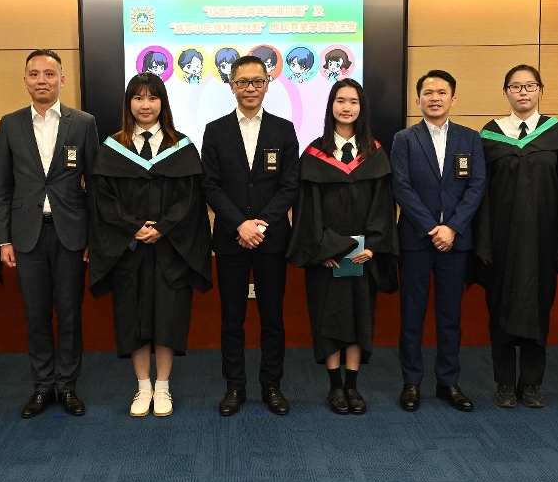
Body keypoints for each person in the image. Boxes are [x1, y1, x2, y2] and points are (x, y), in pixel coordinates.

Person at [88, 72, 213, 417]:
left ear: (163, 103)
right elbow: (104, 200)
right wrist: (133, 227)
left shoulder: (181, 146)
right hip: (129, 250)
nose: (146, 105)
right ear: (129, 103)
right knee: (133, 316)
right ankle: (143, 386)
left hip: (171, 250)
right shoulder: (113, 148)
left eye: (153, 98)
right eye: (139, 97)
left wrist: (164, 228)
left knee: (168, 317)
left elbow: (190, 199)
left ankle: (163, 386)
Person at [473, 65, 558, 410]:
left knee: (538, 309)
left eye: (529, 86)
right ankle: (504, 383)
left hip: (543, 241)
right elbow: (478, 193)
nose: (523, 92)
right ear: (505, 92)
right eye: (515, 86)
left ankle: (531, 382)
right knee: (500, 309)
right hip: (501, 241)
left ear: (540, 90)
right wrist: (482, 241)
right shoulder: (489, 137)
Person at [0, 49, 101, 419]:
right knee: (36, 314)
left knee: (70, 314)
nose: (42, 80)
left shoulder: (83, 123)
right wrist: (4, 239)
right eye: (35, 74)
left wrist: (94, 236)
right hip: (26, 235)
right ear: (25, 80)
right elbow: (2, 187)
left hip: (71, 234)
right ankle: (42, 387)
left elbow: (95, 184)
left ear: (62, 79)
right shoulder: (10, 124)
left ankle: (68, 386)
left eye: (49, 73)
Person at [288, 79, 398, 415]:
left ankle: (353, 385)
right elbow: (306, 211)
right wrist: (323, 250)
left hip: (363, 256)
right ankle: (335, 386)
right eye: (340, 100)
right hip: (327, 257)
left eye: (353, 101)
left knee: (359, 317)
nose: (346, 107)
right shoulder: (314, 153)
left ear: (362, 108)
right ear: (331, 106)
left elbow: (384, 206)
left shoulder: (375, 154)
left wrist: (374, 246)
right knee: (329, 319)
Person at [201, 55, 300, 417]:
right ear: (232, 86)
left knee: (272, 317)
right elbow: (210, 185)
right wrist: (239, 224)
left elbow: (289, 186)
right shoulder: (215, 130)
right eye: (243, 82)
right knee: (232, 318)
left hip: (271, 240)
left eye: (257, 81)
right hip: (231, 239)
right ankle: (235, 387)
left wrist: (260, 225)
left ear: (267, 84)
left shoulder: (283, 129)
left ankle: (272, 386)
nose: (250, 88)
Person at [390, 69, 485, 413]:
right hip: (417, 240)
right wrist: (433, 228)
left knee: (450, 317)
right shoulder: (404, 139)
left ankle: (448, 381)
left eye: (442, 92)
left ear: (453, 99)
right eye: (428, 93)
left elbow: (476, 186)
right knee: (412, 316)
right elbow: (401, 186)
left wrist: (453, 228)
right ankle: (411, 382)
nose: (435, 98)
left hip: (455, 243)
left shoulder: (469, 138)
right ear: (418, 100)